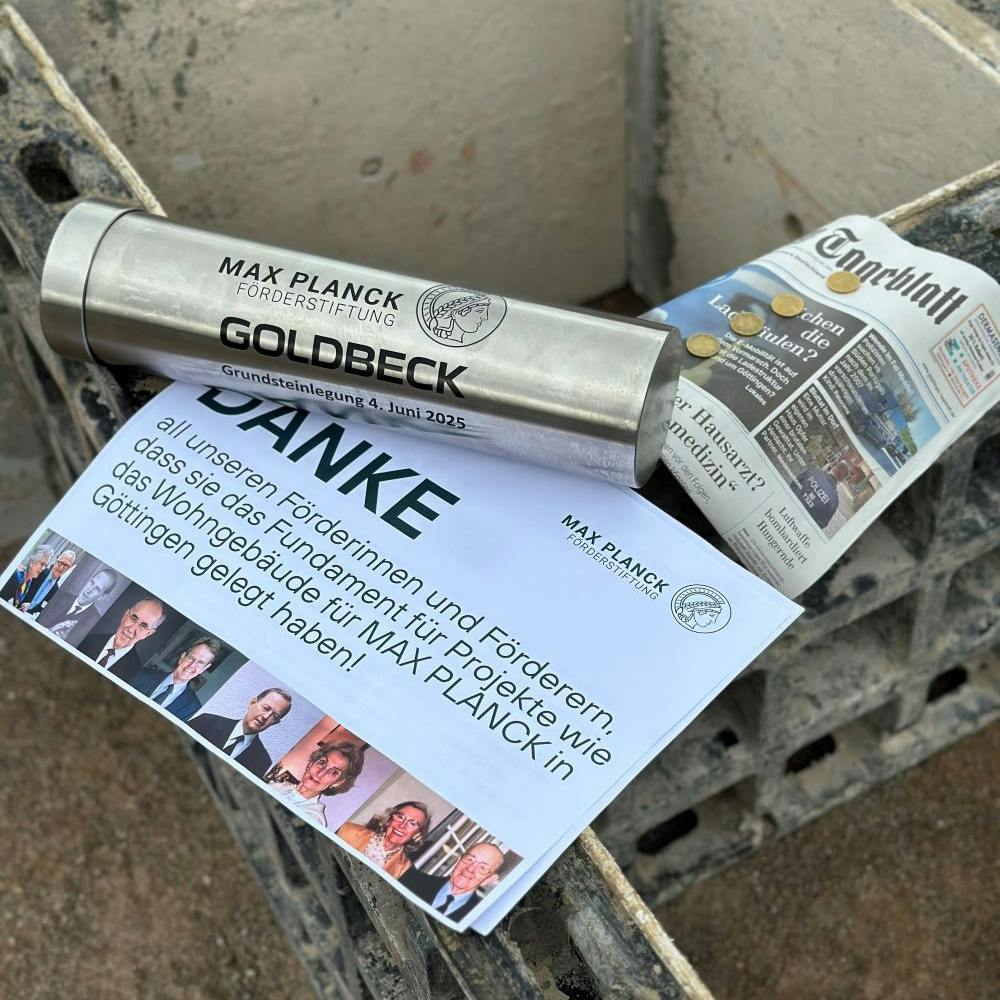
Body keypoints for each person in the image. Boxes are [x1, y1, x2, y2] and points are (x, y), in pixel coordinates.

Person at [187, 687, 292, 779]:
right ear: (252, 703)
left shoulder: (263, 761)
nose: (266, 716)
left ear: (275, 723)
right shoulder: (206, 721)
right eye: (266, 708)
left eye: (275, 716)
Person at [267, 740, 365, 827]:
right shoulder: (276, 785)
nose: (320, 773)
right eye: (322, 763)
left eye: (334, 772)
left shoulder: (313, 818)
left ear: (338, 782)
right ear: (311, 763)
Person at [400, 842, 505, 921]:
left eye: (482, 867)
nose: (470, 869)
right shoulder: (411, 880)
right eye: (469, 859)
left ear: (488, 880)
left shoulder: (478, 918)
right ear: (458, 861)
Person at [128, 636, 223, 722]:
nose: (192, 665)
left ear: (204, 669)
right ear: (182, 657)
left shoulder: (192, 708)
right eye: (191, 658)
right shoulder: (142, 675)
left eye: (200, 662)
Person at [77, 596, 165, 683]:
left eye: (143, 626)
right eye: (133, 618)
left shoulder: (135, 673)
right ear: (125, 616)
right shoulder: (85, 638)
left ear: (148, 633)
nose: (131, 629)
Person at [337, 801, 430, 879]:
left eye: (412, 824)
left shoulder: (404, 869)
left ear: (417, 835)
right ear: (390, 819)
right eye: (400, 817)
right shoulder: (348, 831)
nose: (402, 825)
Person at [36, 567, 120, 645]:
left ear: (102, 597)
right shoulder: (59, 596)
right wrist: (49, 631)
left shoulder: (95, 623)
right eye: (92, 582)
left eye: (97, 589)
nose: (89, 590)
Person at [790, 460, 851, 529]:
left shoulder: (814, 471)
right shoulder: (834, 500)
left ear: (834, 467)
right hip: (798, 526)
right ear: (842, 479)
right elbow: (821, 524)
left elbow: (793, 484)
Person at [1, 544, 53, 611]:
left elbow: (12, 604)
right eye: (42, 564)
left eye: (46, 566)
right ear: (32, 562)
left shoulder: (28, 582)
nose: (43, 568)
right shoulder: (14, 576)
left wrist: (20, 609)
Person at [24, 549, 77, 615]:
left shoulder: (56, 591)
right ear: (56, 560)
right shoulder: (38, 572)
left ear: (68, 569)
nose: (61, 568)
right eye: (61, 563)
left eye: (66, 566)